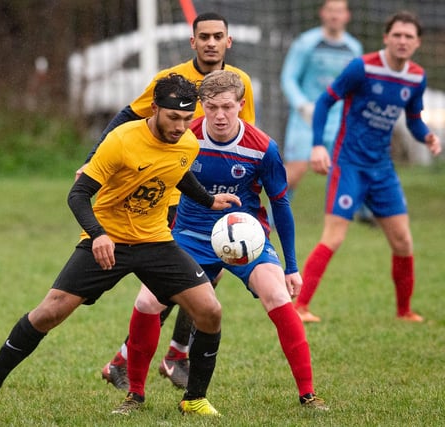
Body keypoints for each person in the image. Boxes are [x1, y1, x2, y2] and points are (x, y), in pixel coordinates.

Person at [0, 74, 240, 417]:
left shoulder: (188, 143)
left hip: (155, 241)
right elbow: (78, 195)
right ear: (154, 109)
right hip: (107, 238)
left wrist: (208, 201)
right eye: (173, 118)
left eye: (187, 119)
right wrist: (98, 235)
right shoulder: (121, 140)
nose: (181, 126)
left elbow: (178, 172)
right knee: (51, 310)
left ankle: (194, 399)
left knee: (210, 310)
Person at [107, 70, 329, 412]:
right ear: (201, 107)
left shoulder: (262, 148)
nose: (220, 115)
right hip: (189, 237)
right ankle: (134, 394)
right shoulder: (184, 138)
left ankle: (309, 394)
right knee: (148, 302)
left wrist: (292, 267)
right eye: (211, 108)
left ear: (241, 105)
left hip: (247, 238)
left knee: (277, 295)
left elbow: (280, 205)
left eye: (227, 107)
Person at [84, 12, 256, 391]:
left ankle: (172, 353)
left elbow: (247, 139)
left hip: (213, 193)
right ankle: (132, 360)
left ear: (229, 42)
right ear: (192, 42)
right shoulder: (172, 81)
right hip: (172, 193)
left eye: (218, 36)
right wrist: (91, 162)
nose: (211, 42)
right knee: (173, 283)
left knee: (210, 273)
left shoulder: (239, 82)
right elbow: (128, 116)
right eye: (204, 36)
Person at [295, 11, 442, 323]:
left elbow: (413, 119)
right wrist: (319, 145)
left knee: (403, 241)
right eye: (397, 35)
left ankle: (404, 312)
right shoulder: (362, 67)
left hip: (382, 169)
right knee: (333, 237)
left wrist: (426, 136)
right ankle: (300, 306)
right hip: (349, 164)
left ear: (417, 43)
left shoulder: (416, 76)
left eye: (409, 37)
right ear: (386, 38)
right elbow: (325, 101)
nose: (402, 41)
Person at [280, 0, 375, 230]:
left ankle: (364, 211)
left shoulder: (353, 47)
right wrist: (302, 105)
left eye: (339, 11)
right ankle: (272, 219)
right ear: (323, 13)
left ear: (347, 16)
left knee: (350, 165)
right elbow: (288, 77)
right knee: (295, 171)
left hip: (338, 119)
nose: (334, 15)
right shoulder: (307, 42)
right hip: (306, 118)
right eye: (330, 10)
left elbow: (358, 83)